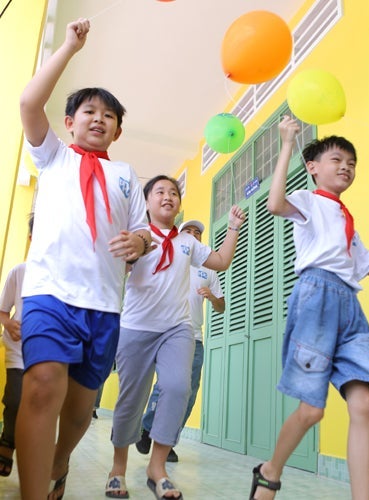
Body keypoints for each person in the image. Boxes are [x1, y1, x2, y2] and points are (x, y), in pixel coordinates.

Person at [17, 18, 151, 500]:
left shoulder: (125, 175)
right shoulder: (53, 156)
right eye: (88, 111)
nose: (98, 118)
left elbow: (143, 231)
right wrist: (70, 48)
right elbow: (30, 103)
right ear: (70, 122)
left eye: (108, 115)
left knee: (78, 411)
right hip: (50, 294)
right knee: (42, 385)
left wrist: (140, 243)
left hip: (103, 306)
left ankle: (59, 462)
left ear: (117, 131)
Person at [249, 116, 369, 500]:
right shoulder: (308, 201)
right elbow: (275, 203)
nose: (345, 167)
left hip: (349, 306)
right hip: (316, 298)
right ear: (313, 168)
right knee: (312, 411)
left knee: (364, 403)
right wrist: (287, 143)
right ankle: (270, 471)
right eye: (337, 159)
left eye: (351, 163)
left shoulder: (347, 224)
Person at [106, 175, 245, 499]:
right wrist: (130, 253)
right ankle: (118, 468)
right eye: (160, 192)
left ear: (179, 203)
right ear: (147, 202)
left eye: (173, 192)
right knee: (132, 398)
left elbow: (221, 262)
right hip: (137, 327)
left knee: (179, 387)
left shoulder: (188, 242)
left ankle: (158, 469)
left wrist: (235, 227)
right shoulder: (139, 235)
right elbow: (124, 260)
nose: (168, 196)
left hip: (177, 328)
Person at [136, 219, 226, 462]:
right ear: (181, 236)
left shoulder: (209, 270)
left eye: (198, 232)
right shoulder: (173, 258)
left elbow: (222, 307)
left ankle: (167, 441)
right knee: (165, 386)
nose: (194, 235)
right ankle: (147, 428)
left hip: (195, 338)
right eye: (189, 231)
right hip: (170, 332)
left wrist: (212, 298)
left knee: (189, 392)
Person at [0, 213, 34, 478]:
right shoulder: (19, 272)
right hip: (18, 350)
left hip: (48, 355)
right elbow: (2, 310)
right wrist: (8, 324)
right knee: (14, 399)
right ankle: (7, 444)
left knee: (39, 404)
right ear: (32, 237)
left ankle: (32, 454)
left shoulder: (64, 276)